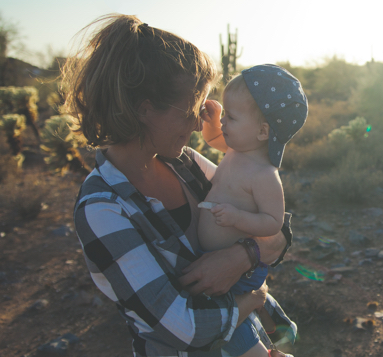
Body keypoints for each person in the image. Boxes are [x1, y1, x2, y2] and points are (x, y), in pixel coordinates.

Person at [64, 14, 296, 357]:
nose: (195, 125)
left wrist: (242, 255)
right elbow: (186, 330)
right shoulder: (103, 208)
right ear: (145, 109)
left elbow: (276, 231)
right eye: (190, 111)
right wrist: (255, 296)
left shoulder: (185, 163)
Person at [197, 65, 307, 356]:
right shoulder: (236, 149)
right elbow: (213, 140)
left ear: (262, 131)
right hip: (218, 258)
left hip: (239, 271)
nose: (224, 124)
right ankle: (277, 319)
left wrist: (237, 218)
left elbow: (273, 223)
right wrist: (213, 120)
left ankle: (258, 350)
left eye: (231, 118)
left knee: (232, 319)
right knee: (241, 304)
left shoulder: (264, 175)